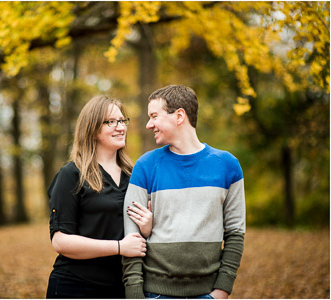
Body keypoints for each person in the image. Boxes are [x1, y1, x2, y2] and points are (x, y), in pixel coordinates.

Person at [122, 85, 246, 299]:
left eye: (154, 116)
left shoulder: (227, 166)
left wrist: (221, 291)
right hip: (155, 293)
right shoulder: (146, 166)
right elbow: (131, 237)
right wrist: (134, 295)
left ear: (179, 116)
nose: (148, 124)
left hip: (208, 293)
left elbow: (235, 232)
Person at [47, 95, 152, 298]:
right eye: (111, 122)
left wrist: (147, 227)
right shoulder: (72, 174)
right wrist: (120, 247)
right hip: (77, 286)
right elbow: (60, 242)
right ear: (92, 129)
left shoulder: (135, 176)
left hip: (123, 287)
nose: (120, 127)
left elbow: (140, 238)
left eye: (122, 121)